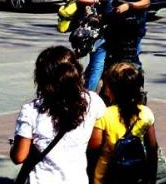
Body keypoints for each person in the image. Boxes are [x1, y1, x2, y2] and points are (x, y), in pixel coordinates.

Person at [9, 46, 105, 184]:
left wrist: (15, 144)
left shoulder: (31, 110)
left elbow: (19, 157)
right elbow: (95, 143)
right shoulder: (93, 101)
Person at [89, 62, 159, 184]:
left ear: (110, 90)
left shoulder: (104, 115)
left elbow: (94, 150)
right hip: (135, 176)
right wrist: (151, 178)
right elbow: (152, 149)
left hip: (106, 178)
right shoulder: (145, 113)